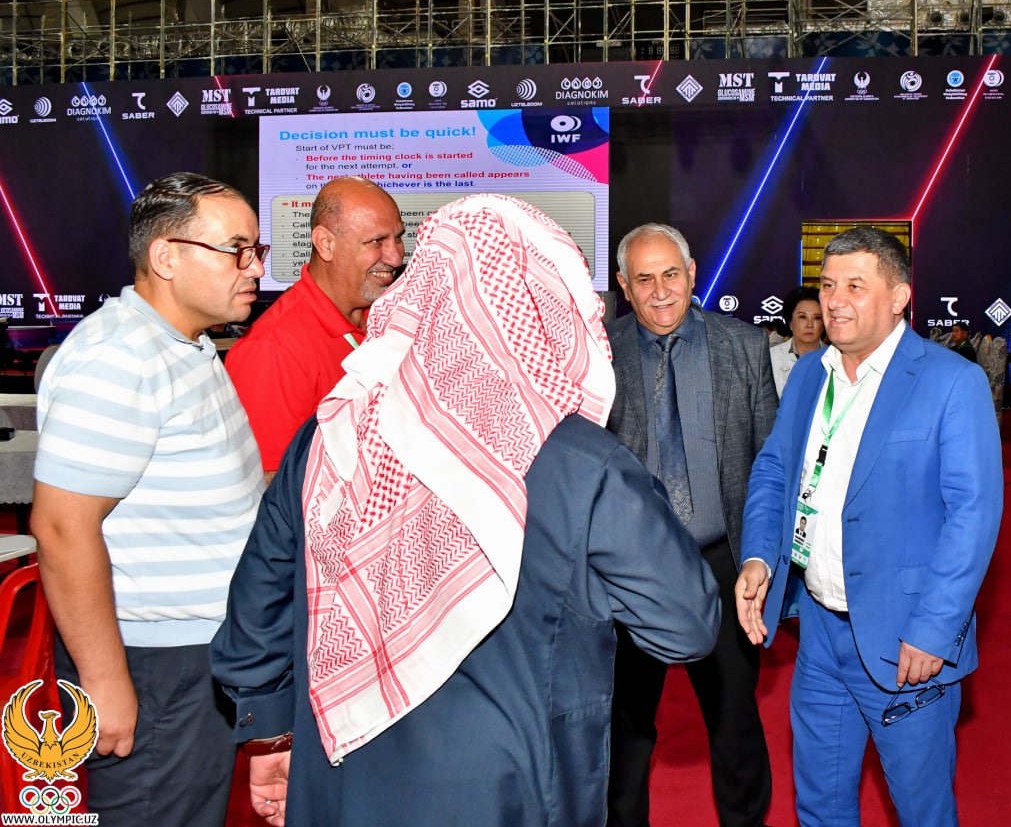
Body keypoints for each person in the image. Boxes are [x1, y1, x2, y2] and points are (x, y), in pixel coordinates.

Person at [209, 195, 721, 827]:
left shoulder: (331, 432)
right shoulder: (583, 464)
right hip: (509, 791)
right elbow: (684, 626)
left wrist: (268, 728)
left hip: (341, 779)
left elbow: (260, 595)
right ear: (545, 309)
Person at [735, 226, 1003, 827]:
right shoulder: (810, 374)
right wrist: (758, 557)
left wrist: (934, 630)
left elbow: (973, 514)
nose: (834, 301)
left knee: (922, 813)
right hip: (819, 634)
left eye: (855, 286)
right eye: (828, 285)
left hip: (905, 643)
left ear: (899, 297)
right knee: (819, 806)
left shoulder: (949, 381)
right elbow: (775, 469)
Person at [30, 172, 267, 826]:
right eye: (237, 250)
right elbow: (62, 527)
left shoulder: (185, 345)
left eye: (256, 250)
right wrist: (106, 681)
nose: (255, 268)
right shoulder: (120, 358)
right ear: (166, 257)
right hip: (154, 665)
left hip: (195, 656)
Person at [606, 223, 777, 827]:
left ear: (693, 273)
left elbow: (769, 464)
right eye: (644, 279)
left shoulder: (744, 346)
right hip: (626, 568)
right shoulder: (597, 351)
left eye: (671, 275)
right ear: (624, 285)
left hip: (721, 564)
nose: (660, 292)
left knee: (735, 720)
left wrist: (762, 555)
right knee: (624, 727)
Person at [226, 175, 405, 477]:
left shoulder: (393, 318)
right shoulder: (273, 349)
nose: (396, 257)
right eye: (376, 241)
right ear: (326, 244)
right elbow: (268, 486)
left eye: (398, 238)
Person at [770, 285, 825, 396]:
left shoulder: (836, 359)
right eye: (802, 317)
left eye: (817, 318)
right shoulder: (771, 357)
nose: (809, 325)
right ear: (790, 322)